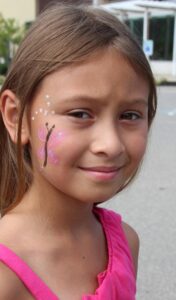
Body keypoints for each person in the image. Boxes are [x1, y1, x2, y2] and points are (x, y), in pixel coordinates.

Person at [0, 3, 157, 300]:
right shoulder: (5, 273)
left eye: (130, 115)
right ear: (15, 117)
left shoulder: (125, 241)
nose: (110, 144)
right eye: (80, 114)